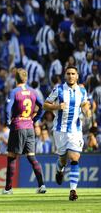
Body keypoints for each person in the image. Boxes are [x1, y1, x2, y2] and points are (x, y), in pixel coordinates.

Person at [43, 65, 91, 201]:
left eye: (73, 73)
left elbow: (84, 104)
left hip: (75, 130)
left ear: (77, 76)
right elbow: (45, 104)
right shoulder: (58, 89)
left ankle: (73, 191)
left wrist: (86, 110)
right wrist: (57, 106)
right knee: (63, 160)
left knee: (74, 157)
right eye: (68, 73)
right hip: (60, 131)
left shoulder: (82, 90)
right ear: (65, 76)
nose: (70, 76)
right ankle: (59, 170)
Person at [1, 68, 46, 194]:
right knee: (32, 157)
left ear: (15, 79)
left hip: (18, 126)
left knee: (11, 157)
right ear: (26, 79)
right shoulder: (33, 92)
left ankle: (8, 189)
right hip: (29, 127)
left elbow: (7, 108)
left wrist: (8, 123)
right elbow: (42, 106)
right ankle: (42, 185)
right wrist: (35, 119)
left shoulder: (14, 91)